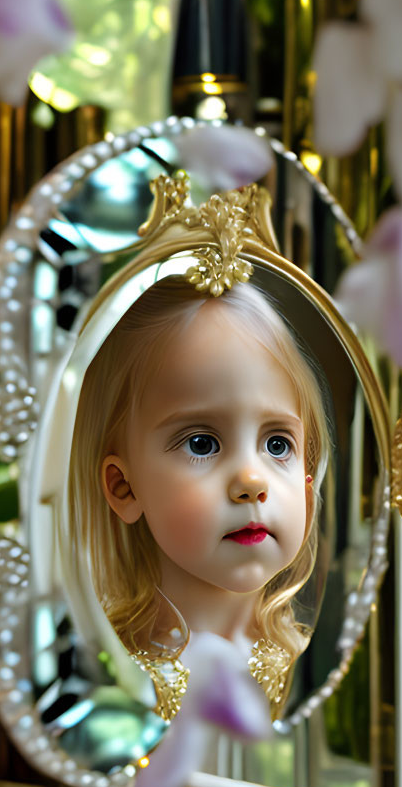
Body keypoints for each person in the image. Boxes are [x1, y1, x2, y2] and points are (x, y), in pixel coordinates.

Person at [67, 275, 330, 718]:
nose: (252, 480)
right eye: (202, 443)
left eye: (277, 445)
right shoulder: (106, 678)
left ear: (307, 476)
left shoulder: (311, 669)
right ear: (123, 487)